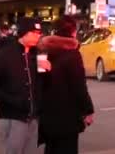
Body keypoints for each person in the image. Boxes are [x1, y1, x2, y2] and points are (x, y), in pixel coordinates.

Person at [0, 17, 50, 154]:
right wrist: (10, 100)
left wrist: (45, 71)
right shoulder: (6, 54)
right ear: (23, 33)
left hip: (33, 117)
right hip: (12, 117)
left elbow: (40, 85)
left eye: (39, 33)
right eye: (34, 33)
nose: (38, 36)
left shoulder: (36, 55)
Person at [38, 16, 94, 154]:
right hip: (67, 117)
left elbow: (40, 80)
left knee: (51, 149)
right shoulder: (72, 54)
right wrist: (88, 110)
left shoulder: (44, 51)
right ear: (73, 32)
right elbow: (79, 86)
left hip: (47, 114)